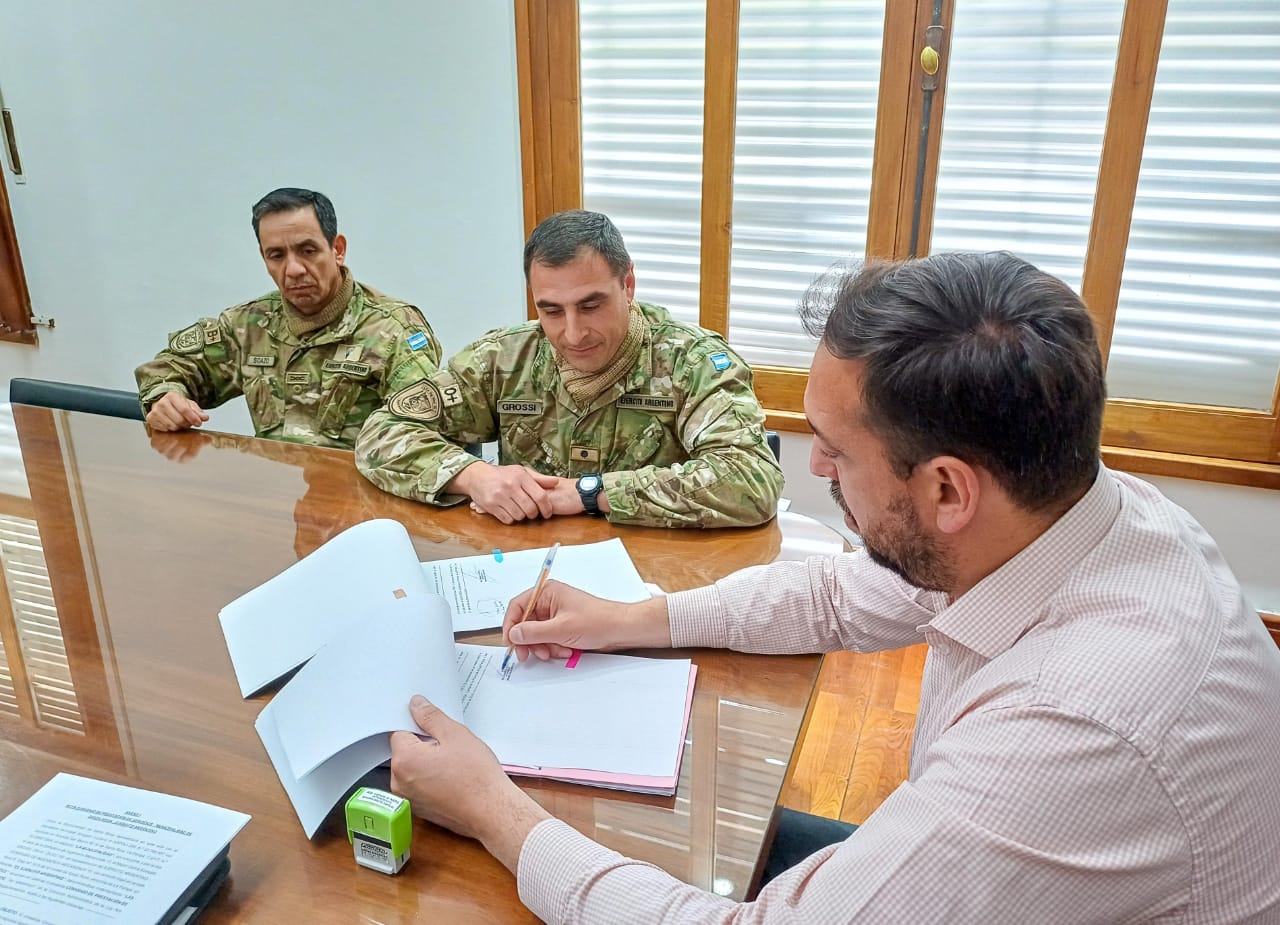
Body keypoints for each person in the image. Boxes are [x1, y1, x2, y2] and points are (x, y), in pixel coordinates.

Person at [387, 252, 1280, 922]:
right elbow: (833, 596)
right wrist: (632, 616)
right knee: (654, 844)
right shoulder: (1071, 511)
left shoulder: (1078, 725)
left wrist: (492, 805)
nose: (812, 465)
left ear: (945, 489)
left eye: (836, 449)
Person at [354, 210, 781, 528]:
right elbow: (381, 431)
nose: (573, 333)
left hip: (654, 578)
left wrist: (590, 494)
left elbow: (752, 480)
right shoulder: (506, 358)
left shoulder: (693, 363)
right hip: (528, 570)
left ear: (627, 284)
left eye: (590, 305)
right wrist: (473, 475)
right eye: (551, 310)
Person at [135, 188, 441, 449]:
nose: (293, 269)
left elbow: (419, 438)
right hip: (273, 496)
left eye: (307, 250)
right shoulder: (248, 325)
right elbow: (169, 368)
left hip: (361, 503)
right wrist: (166, 397)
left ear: (337, 249)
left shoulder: (393, 330)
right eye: (277, 255)